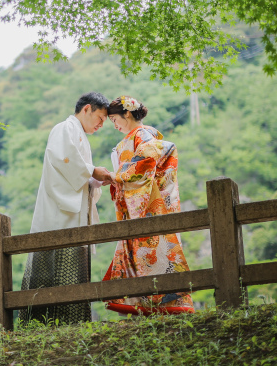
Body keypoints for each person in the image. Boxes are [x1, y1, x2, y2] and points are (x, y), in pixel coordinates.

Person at [19, 91, 112, 325]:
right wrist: (92, 171)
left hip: (73, 210)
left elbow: (79, 175)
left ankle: (71, 322)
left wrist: (96, 180)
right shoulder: (65, 128)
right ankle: (42, 322)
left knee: (71, 266)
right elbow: (62, 159)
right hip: (58, 212)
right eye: (100, 117)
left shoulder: (80, 134)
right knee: (52, 265)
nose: (102, 124)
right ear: (87, 109)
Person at [99, 95, 194, 315]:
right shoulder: (138, 136)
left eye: (114, 119)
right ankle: (147, 304)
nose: (114, 125)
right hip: (139, 203)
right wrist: (117, 179)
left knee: (154, 250)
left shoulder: (143, 135)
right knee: (145, 251)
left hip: (149, 203)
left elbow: (146, 162)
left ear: (128, 113)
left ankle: (165, 305)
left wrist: (117, 176)